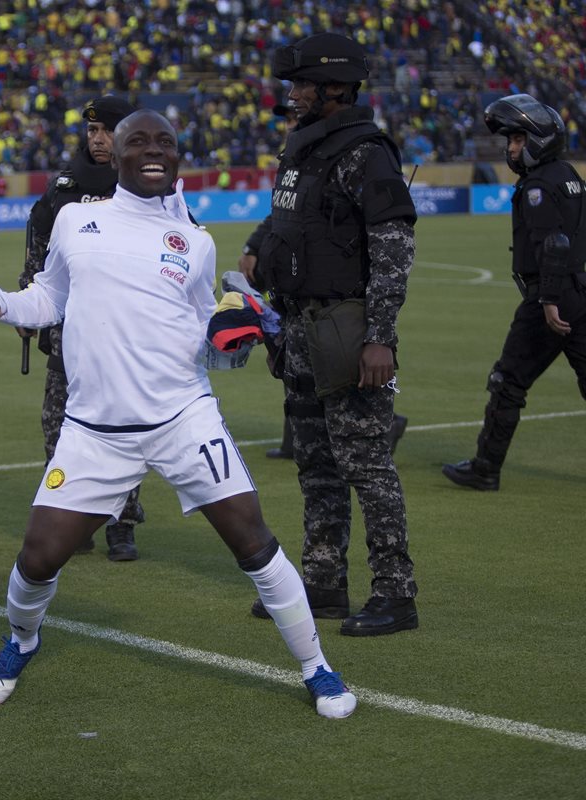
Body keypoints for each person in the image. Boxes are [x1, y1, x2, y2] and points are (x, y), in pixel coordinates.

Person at [0, 109, 356, 720]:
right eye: (139, 141)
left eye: (166, 141)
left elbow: (198, 328)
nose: (153, 150)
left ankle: (317, 668)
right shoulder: (77, 220)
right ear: (116, 154)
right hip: (94, 430)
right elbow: (49, 297)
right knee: (37, 557)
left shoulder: (197, 240)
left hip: (183, 418)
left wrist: (232, 335)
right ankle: (21, 642)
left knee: (255, 545)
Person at [238, 33, 418, 636]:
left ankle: (396, 592)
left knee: (366, 465)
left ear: (336, 87)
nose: (292, 95)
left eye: (302, 85)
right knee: (315, 463)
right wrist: (258, 246)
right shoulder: (305, 149)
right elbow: (289, 216)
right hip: (300, 328)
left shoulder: (367, 153)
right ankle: (323, 581)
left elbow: (394, 249)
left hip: (347, 327)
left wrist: (381, 337)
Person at [240, 104, 409, 461]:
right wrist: (254, 246)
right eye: (285, 119)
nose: (289, 123)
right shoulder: (297, 159)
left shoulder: (348, 156)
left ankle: (386, 422)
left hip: (337, 294)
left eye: (291, 116)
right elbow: (282, 215)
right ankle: (295, 442)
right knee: (300, 364)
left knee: (335, 370)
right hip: (295, 288)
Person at [19, 95, 144, 561]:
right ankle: (74, 521)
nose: (97, 139)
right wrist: (28, 305)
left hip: (123, 334)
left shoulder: (146, 184)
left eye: (106, 130)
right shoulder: (64, 186)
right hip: (68, 335)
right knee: (59, 430)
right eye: (92, 131)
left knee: (123, 431)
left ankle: (122, 524)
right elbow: (38, 248)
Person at [443, 95, 586, 491]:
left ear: (540, 139)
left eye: (519, 140)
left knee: (507, 381)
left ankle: (485, 468)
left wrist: (549, 299)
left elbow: (553, 243)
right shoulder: (570, 175)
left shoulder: (538, 185)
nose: (511, 148)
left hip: (549, 298)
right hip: (580, 290)